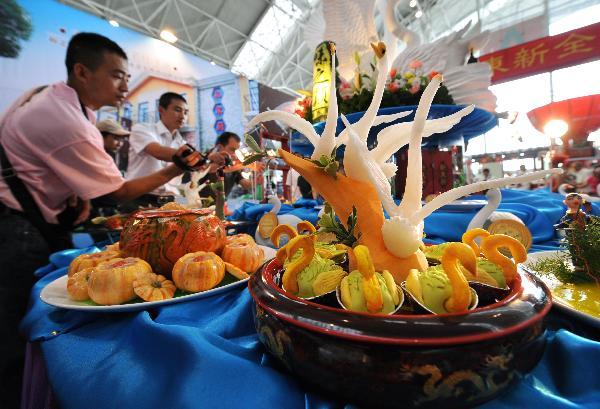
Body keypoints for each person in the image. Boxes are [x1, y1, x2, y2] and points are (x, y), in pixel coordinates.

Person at [0, 32, 219, 408]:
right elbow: (114, 193)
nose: (125, 85)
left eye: (127, 76)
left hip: (32, 219)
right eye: (117, 75)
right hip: (19, 227)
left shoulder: (55, 100)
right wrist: (175, 167)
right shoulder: (67, 119)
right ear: (82, 72)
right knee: (10, 329)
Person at [125, 92, 192, 207]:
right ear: (161, 110)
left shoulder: (183, 144)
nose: (182, 116)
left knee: (195, 205)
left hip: (172, 199)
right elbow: (158, 151)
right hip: (140, 197)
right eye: (177, 110)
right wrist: (194, 158)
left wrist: (210, 162)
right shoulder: (142, 129)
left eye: (185, 112)